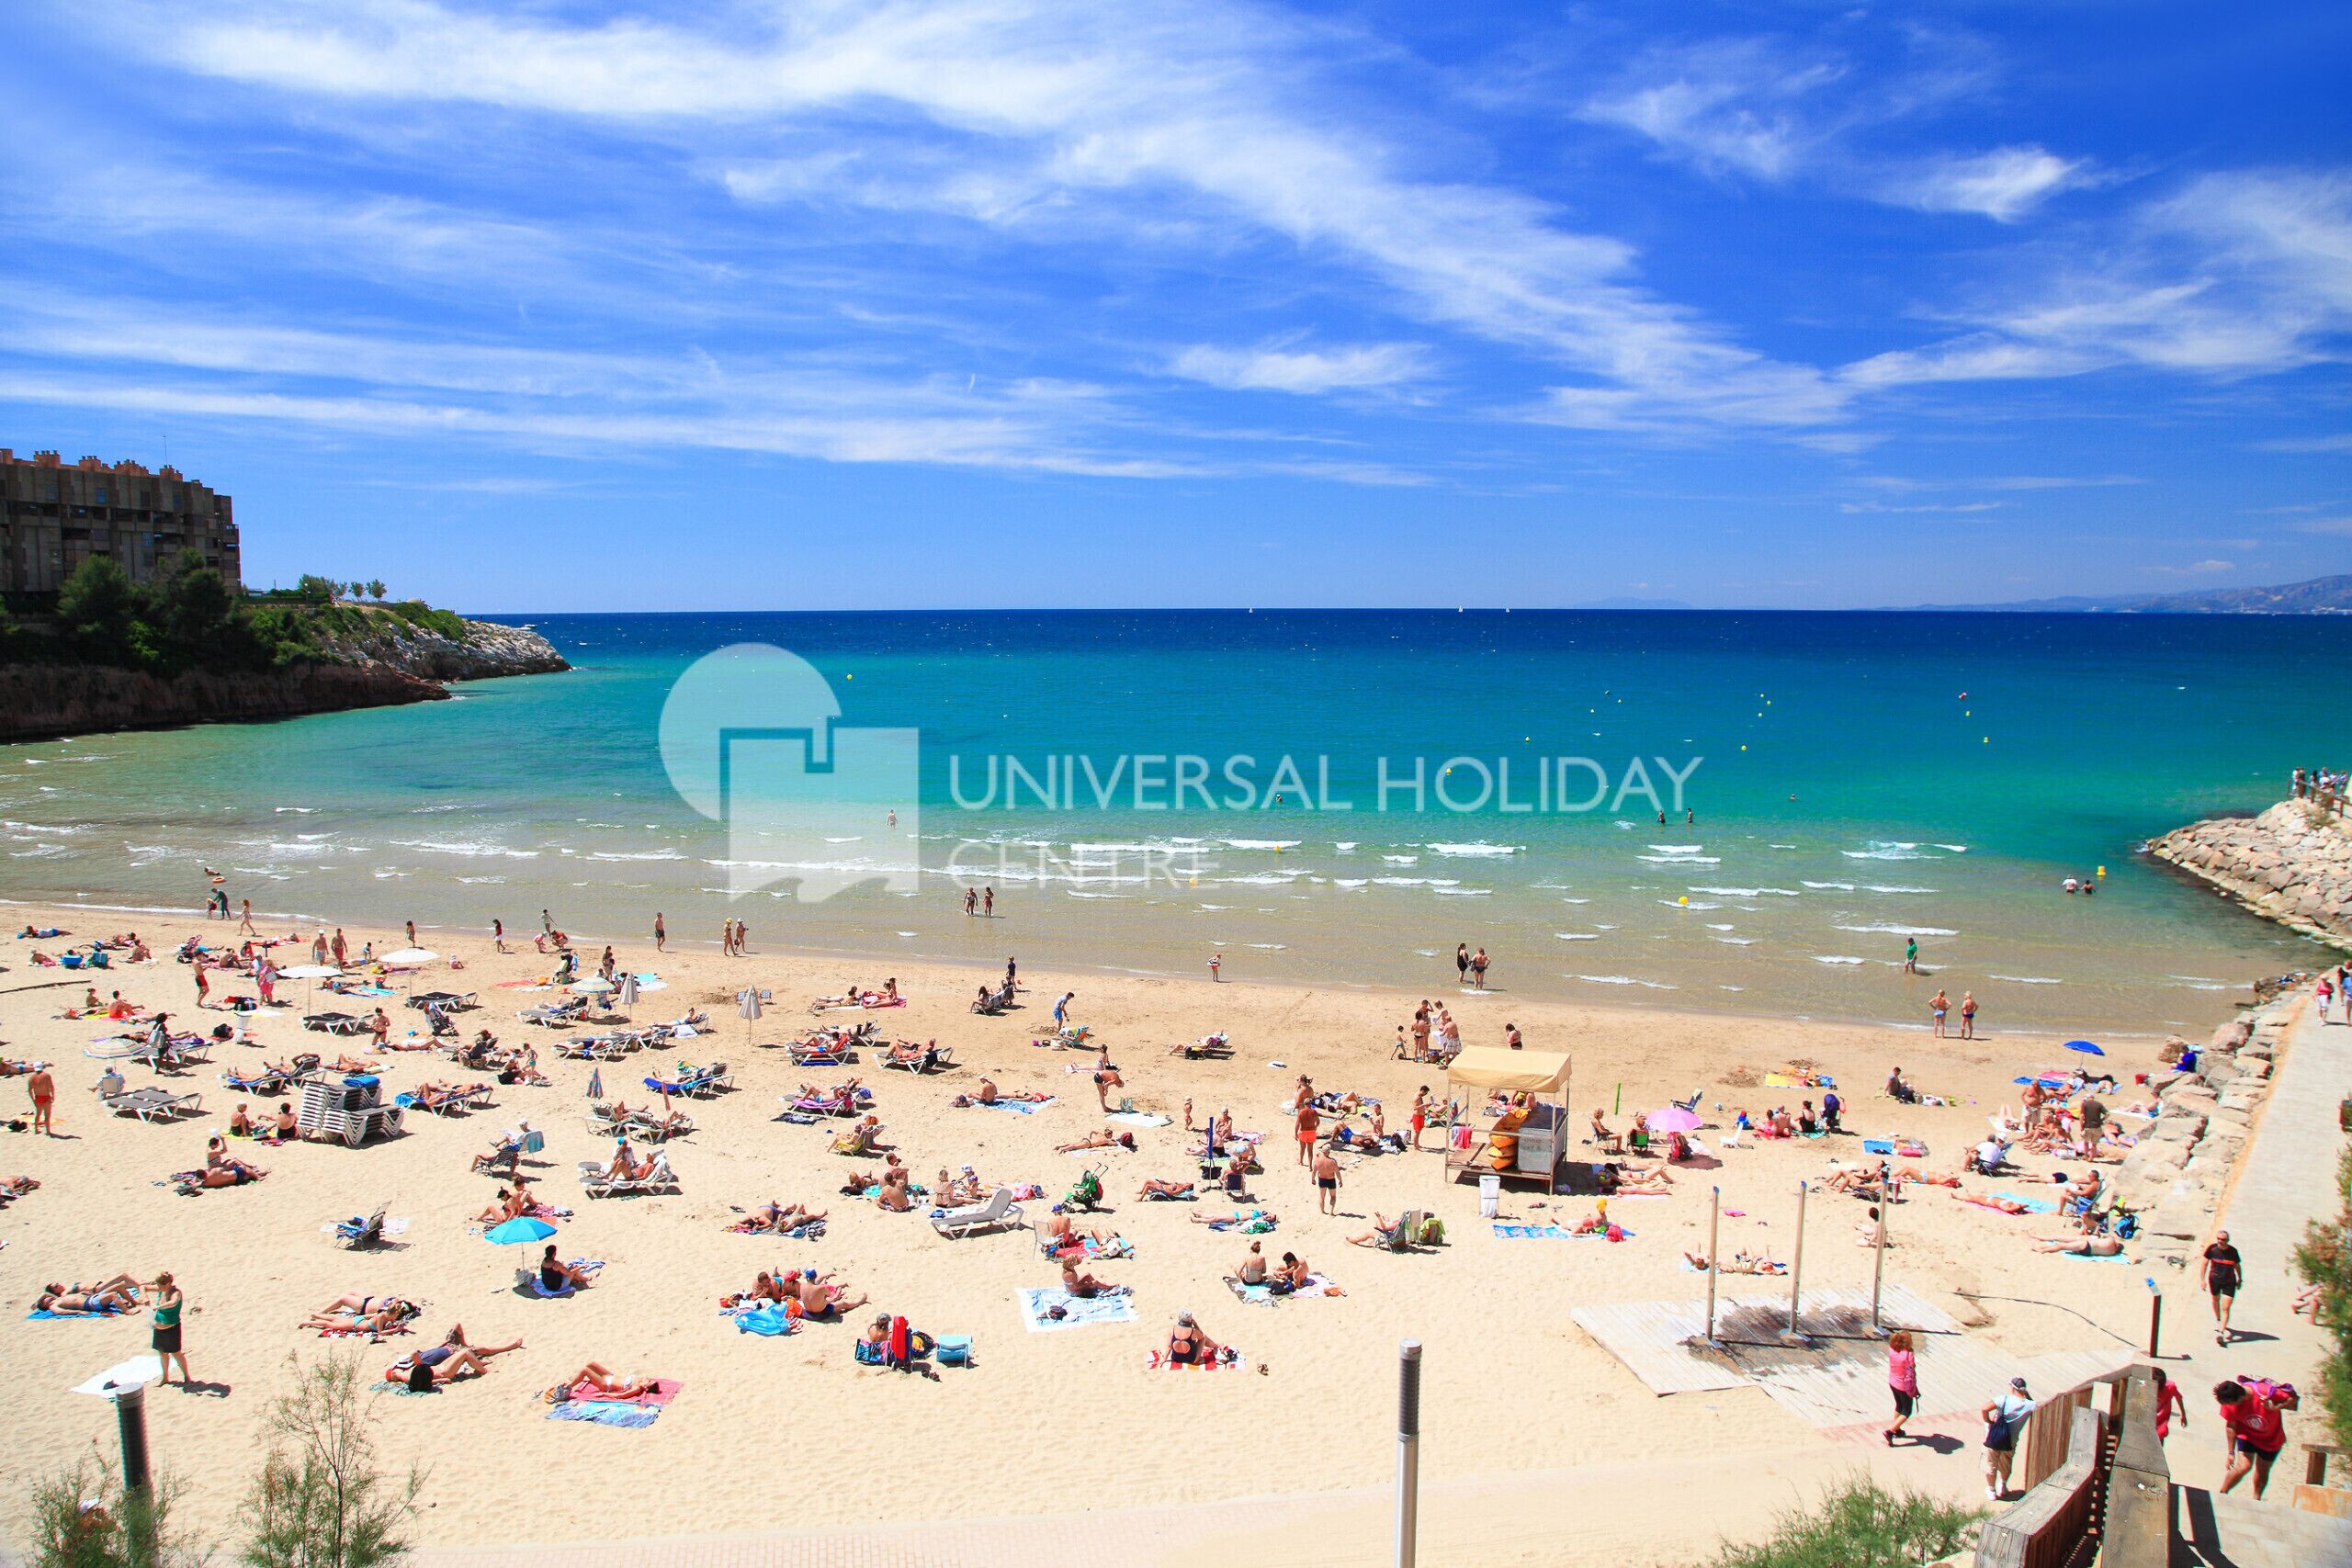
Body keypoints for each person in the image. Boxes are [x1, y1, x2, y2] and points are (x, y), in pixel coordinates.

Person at [2214, 1380, 2289, 1496]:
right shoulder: (2229, 1403)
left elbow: (2290, 1399)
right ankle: (2222, 1493)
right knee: (2244, 1466)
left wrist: (2275, 1407)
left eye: (2231, 1404)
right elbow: (2231, 1426)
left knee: (2262, 1469)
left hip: (2271, 1439)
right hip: (2247, 1435)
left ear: (2240, 1398)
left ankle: (2256, 1499)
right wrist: (2231, 1452)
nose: (2229, 1407)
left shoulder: (2264, 1391)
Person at [1982, 1377, 2034, 1500]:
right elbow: (2035, 1403)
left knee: (1990, 1463)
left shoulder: (2003, 1399)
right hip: (2010, 1440)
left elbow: (1984, 1409)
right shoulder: (2030, 1405)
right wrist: (2027, 1395)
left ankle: (1991, 1490)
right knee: (2006, 1462)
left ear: (2013, 1388)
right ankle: (2003, 1485)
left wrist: (1988, 1420)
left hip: (1994, 1438)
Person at [2203, 1231, 2243, 1344]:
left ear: (2228, 1240)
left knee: (2225, 1307)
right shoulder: (2212, 1249)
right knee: (2215, 1300)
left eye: (2223, 1239)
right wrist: (2202, 1280)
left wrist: (2240, 1279)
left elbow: (2237, 1266)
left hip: (2229, 1282)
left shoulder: (2233, 1252)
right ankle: (2218, 1320)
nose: (2220, 1241)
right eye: (2219, 1239)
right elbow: (2204, 1264)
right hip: (2215, 1280)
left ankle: (2221, 1333)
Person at [152, 1272, 189, 1384]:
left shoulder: (176, 1293)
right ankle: (165, 1377)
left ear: (167, 1284)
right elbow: (143, 1287)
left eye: (160, 1285)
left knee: (176, 1353)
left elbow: (173, 1303)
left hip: (172, 1328)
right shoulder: (161, 1291)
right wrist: (143, 1296)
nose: (158, 1288)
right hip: (159, 1329)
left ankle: (187, 1376)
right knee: (162, 1353)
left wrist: (158, 1307)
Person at [1884, 1329, 1919, 1446]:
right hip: (1904, 1386)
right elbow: (1912, 1367)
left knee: (1899, 1405)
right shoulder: (1908, 1354)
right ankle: (1890, 1431)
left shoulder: (1892, 1350)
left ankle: (1897, 1430)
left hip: (1892, 1382)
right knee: (1907, 1411)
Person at [27, 1063, 55, 1135]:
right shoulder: (46, 1076)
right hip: (46, 1097)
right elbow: (51, 1087)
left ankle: (36, 1130)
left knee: (38, 1114)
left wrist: (33, 1100)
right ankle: (48, 1132)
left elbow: (30, 1090)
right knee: (47, 1115)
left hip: (38, 1097)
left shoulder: (31, 1078)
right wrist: (53, 1096)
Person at [1311, 1146, 1341, 1214]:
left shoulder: (1317, 1160)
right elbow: (1337, 1172)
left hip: (1322, 1179)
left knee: (1322, 1196)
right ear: (1329, 1152)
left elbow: (1314, 1172)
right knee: (1333, 1197)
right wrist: (1340, 1180)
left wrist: (1313, 1179)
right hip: (1331, 1179)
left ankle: (1322, 1211)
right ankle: (1331, 1211)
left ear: (1323, 1152)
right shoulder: (1332, 1161)